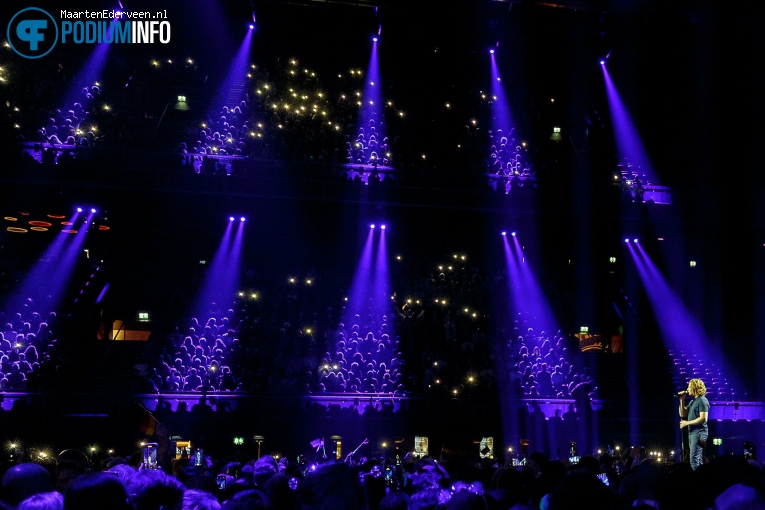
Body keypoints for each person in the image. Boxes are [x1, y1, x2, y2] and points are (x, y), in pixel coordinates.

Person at [679, 378, 710, 471]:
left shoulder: (702, 400)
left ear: (695, 387)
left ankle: (697, 482)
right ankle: (701, 479)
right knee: (697, 459)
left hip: (700, 433)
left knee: (694, 460)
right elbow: (682, 414)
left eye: (689, 386)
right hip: (693, 433)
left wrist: (686, 423)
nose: (687, 389)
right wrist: (682, 400)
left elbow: (704, 418)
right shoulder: (693, 401)